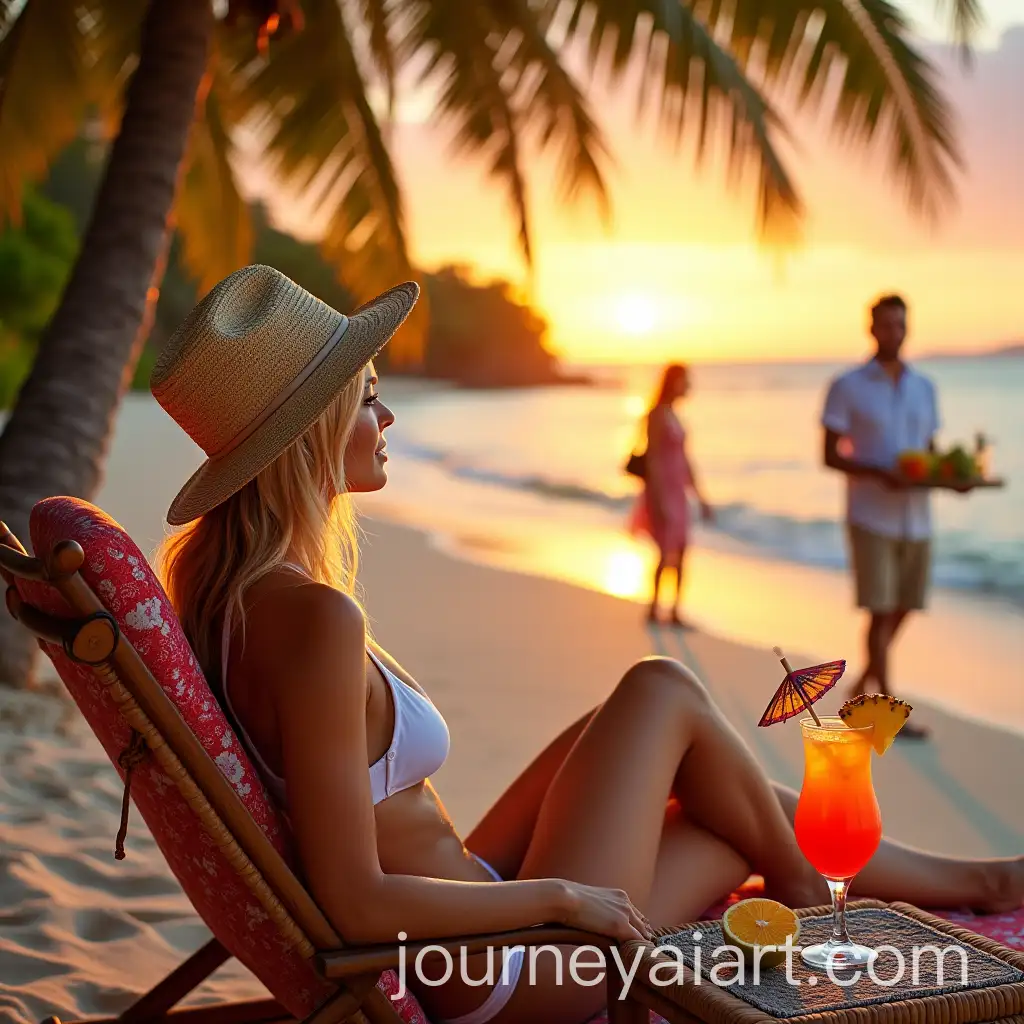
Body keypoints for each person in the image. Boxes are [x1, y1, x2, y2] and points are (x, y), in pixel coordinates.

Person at [153, 267, 1022, 1024]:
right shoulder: (312, 620)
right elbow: (353, 899)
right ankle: (846, 903)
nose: (387, 416)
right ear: (313, 426)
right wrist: (565, 897)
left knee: (700, 766)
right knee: (672, 705)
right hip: (507, 973)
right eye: (370, 395)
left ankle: (972, 883)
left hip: (476, 904)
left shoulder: (232, 597)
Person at [821, 294, 943, 737]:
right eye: (885, 325)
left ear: (908, 328)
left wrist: (950, 476)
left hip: (918, 518)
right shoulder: (847, 385)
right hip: (870, 516)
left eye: (900, 325)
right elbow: (830, 455)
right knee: (879, 610)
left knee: (905, 605)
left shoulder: (924, 387)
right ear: (871, 328)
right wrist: (877, 472)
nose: (893, 332)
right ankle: (885, 712)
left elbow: (928, 455)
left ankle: (859, 688)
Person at [629, 363, 713, 628]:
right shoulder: (656, 415)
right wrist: (659, 498)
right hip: (661, 490)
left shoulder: (676, 415)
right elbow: (652, 457)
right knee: (665, 551)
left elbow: (686, 460)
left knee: (682, 549)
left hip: (678, 491)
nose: (688, 385)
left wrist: (701, 496)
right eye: (684, 380)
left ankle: (674, 610)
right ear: (672, 381)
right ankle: (654, 608)